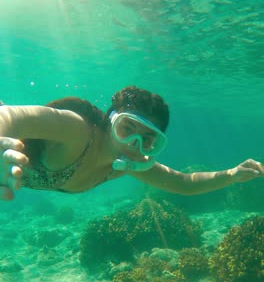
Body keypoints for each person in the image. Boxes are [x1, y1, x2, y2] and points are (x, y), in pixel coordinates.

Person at [0, 86, 263, 201]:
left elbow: (184, 183)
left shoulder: (127, 164)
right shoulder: (78, 130)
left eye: (148, 140)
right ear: (110, 121)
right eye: (128, 128)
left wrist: (232, 175)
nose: (134, 145)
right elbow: (10, 115)